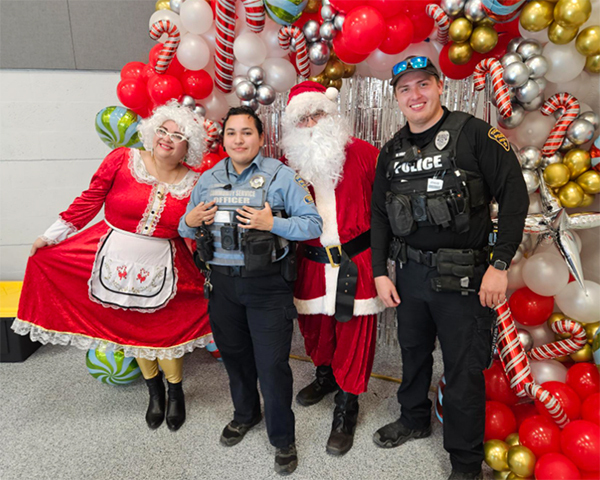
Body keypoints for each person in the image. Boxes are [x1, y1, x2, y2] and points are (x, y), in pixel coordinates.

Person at [370, 56, 528, 480]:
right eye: (405, 89)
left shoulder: (474, 134)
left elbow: (514, 194)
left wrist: (500, 264)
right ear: (397, 98)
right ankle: (414, 418)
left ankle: (464, 462)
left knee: (462, 369)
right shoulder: (393, 152)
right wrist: (379, 271)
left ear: (440, 87)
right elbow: (380, 216)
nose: (415, 95)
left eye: (423, 84)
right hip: (411, 276)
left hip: (465, 278)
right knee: (413, 353)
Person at [13, 101, 213, 432]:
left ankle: (175, 392)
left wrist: (209, 265)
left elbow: (196, 232)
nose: (167, 138)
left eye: (177, 135)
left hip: (166, 267)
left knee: (165, 334)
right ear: (151, 132)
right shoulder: (123, 159)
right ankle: (154, 394)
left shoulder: (197, 182)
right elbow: (90, 199)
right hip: (111, 258)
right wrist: (52, 236)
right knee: (132, 332)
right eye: (162, 130)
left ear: (188, 147)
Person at [178, 106, 322, 476]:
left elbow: (311, 224)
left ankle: (282, 438)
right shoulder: (207, 179)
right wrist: (189, 221)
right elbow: (186, 228)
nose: (238, 140)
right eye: (231, 133)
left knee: (272, 366)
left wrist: (272, 222)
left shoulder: (281, 177)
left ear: (261, 138)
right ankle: (246, 414)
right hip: (223, 286)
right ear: (223, 139)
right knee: (236, 360)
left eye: (246, 133)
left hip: (268, 287)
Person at [279, 81, 385, 456]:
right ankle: (324, 376)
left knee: (355, 335)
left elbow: (386, 213)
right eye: (302, 118)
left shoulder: (366, 155)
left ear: (331, 114)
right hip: (309, 264)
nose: (311, 123)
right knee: (316, 330)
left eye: (317, 114)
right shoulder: (286, 165)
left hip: (356, 261)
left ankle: (347, 405)